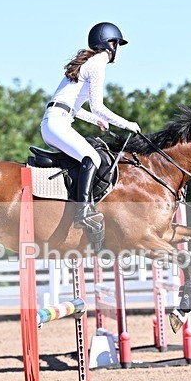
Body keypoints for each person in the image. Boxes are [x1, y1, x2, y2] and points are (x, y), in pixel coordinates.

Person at [41, 22, 141, 234]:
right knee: (93, 158)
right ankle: (83, 211)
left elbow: (74, 108)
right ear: (110, 43)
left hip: (55, 121)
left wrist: (95, 121)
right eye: (118, 44)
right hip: (57, 122)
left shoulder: (89, 63)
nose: (118, 50)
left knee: (91, 154)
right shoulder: (98, 63)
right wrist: (127, 124)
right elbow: (98, 106)